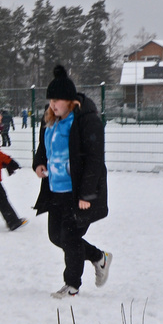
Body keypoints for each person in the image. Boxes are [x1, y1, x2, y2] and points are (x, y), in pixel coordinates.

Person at [32, 65, 110, 298]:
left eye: (57, 100)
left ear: (70, 101)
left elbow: (95, 159)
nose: (53, 105)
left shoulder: (86, 120)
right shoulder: (50, 120)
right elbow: (42, 148)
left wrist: (87, 194)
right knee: (57, 236)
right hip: (55, 189)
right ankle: (99, 257)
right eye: (51, 100)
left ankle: (72, 285)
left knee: (70, 236)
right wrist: (39, 163)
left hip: (77, 192)